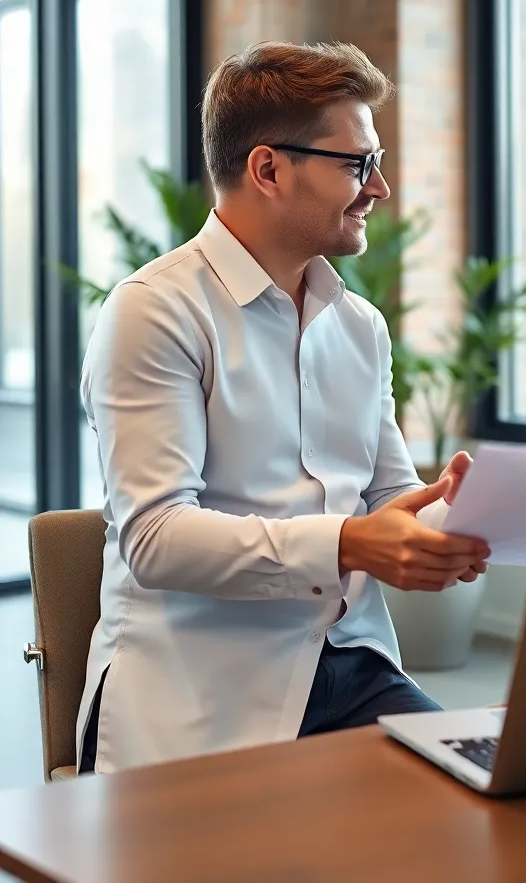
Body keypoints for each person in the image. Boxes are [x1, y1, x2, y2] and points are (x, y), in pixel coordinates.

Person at [77, 41, 490, 772]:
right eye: (358, 164)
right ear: (269, 168)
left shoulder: (359, 325)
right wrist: (349, 544)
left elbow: (390, 494)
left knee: (497, 806)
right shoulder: (155, 311)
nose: (381, 188)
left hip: (350, 667)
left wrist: (456, 519)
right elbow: (156, 536)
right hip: (201, 691)